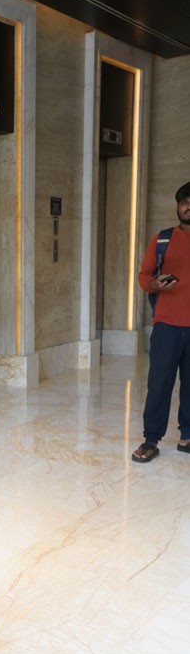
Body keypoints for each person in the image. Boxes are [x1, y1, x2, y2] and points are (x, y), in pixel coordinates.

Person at [132, 181, 190, 463]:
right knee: (159, 384)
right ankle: (151, 439)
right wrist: (155, 284)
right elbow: (144, 276)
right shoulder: (162, 240)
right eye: (184, 202)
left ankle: (187, 435)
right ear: (178, 206)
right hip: (167, 324)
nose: (188, 207)